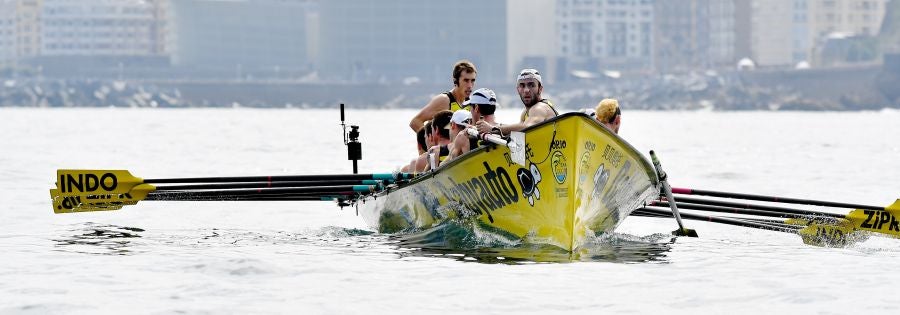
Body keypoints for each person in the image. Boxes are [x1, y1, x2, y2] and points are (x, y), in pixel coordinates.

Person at [476, 68, 557, 135]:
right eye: (522, 85)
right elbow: (518, 130)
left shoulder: (540, 108)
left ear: (540, 89)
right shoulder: (525, 113)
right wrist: (479, 127)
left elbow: (528, 127)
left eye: (531, 85)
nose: (526, 90)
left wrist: (492, 129)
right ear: (517, 90)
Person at [409, 60, 476, 135]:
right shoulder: (444, 100)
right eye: (466, 80)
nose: (470, 85)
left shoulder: (472, 103)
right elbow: (415, 122)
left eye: (472, 80)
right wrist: (432, 142)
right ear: (455, 81)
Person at [446, 88, 498, 161]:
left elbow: (448, 167)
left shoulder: (463, 136)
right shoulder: (505, 131)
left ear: (476, 108)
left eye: (470, 108)